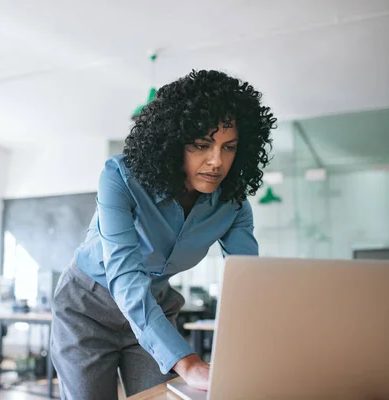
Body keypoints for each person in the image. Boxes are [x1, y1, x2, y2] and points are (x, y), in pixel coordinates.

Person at [51, 69, 275, 399]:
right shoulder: (120, 177)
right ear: (172, 144)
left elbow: (247, 284)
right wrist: (186, 362)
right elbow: (124, 274)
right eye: (202, 145)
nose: (216, 161)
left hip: (154, 307)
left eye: (229, 148)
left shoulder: (233, 205)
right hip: (87, 308)